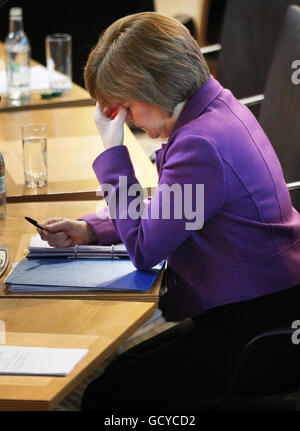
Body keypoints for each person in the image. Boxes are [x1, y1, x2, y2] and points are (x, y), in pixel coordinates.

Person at [38, 12, 300, 410]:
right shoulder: (213, 107)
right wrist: (91, 229)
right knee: (115, 374)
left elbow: (146, 249)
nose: (129, 122)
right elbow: (175, 211)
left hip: (258, 331)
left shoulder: (201, 144)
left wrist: (113, 152)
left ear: (153, 88)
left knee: (106, 396)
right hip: (259, 306)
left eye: (126, 108)